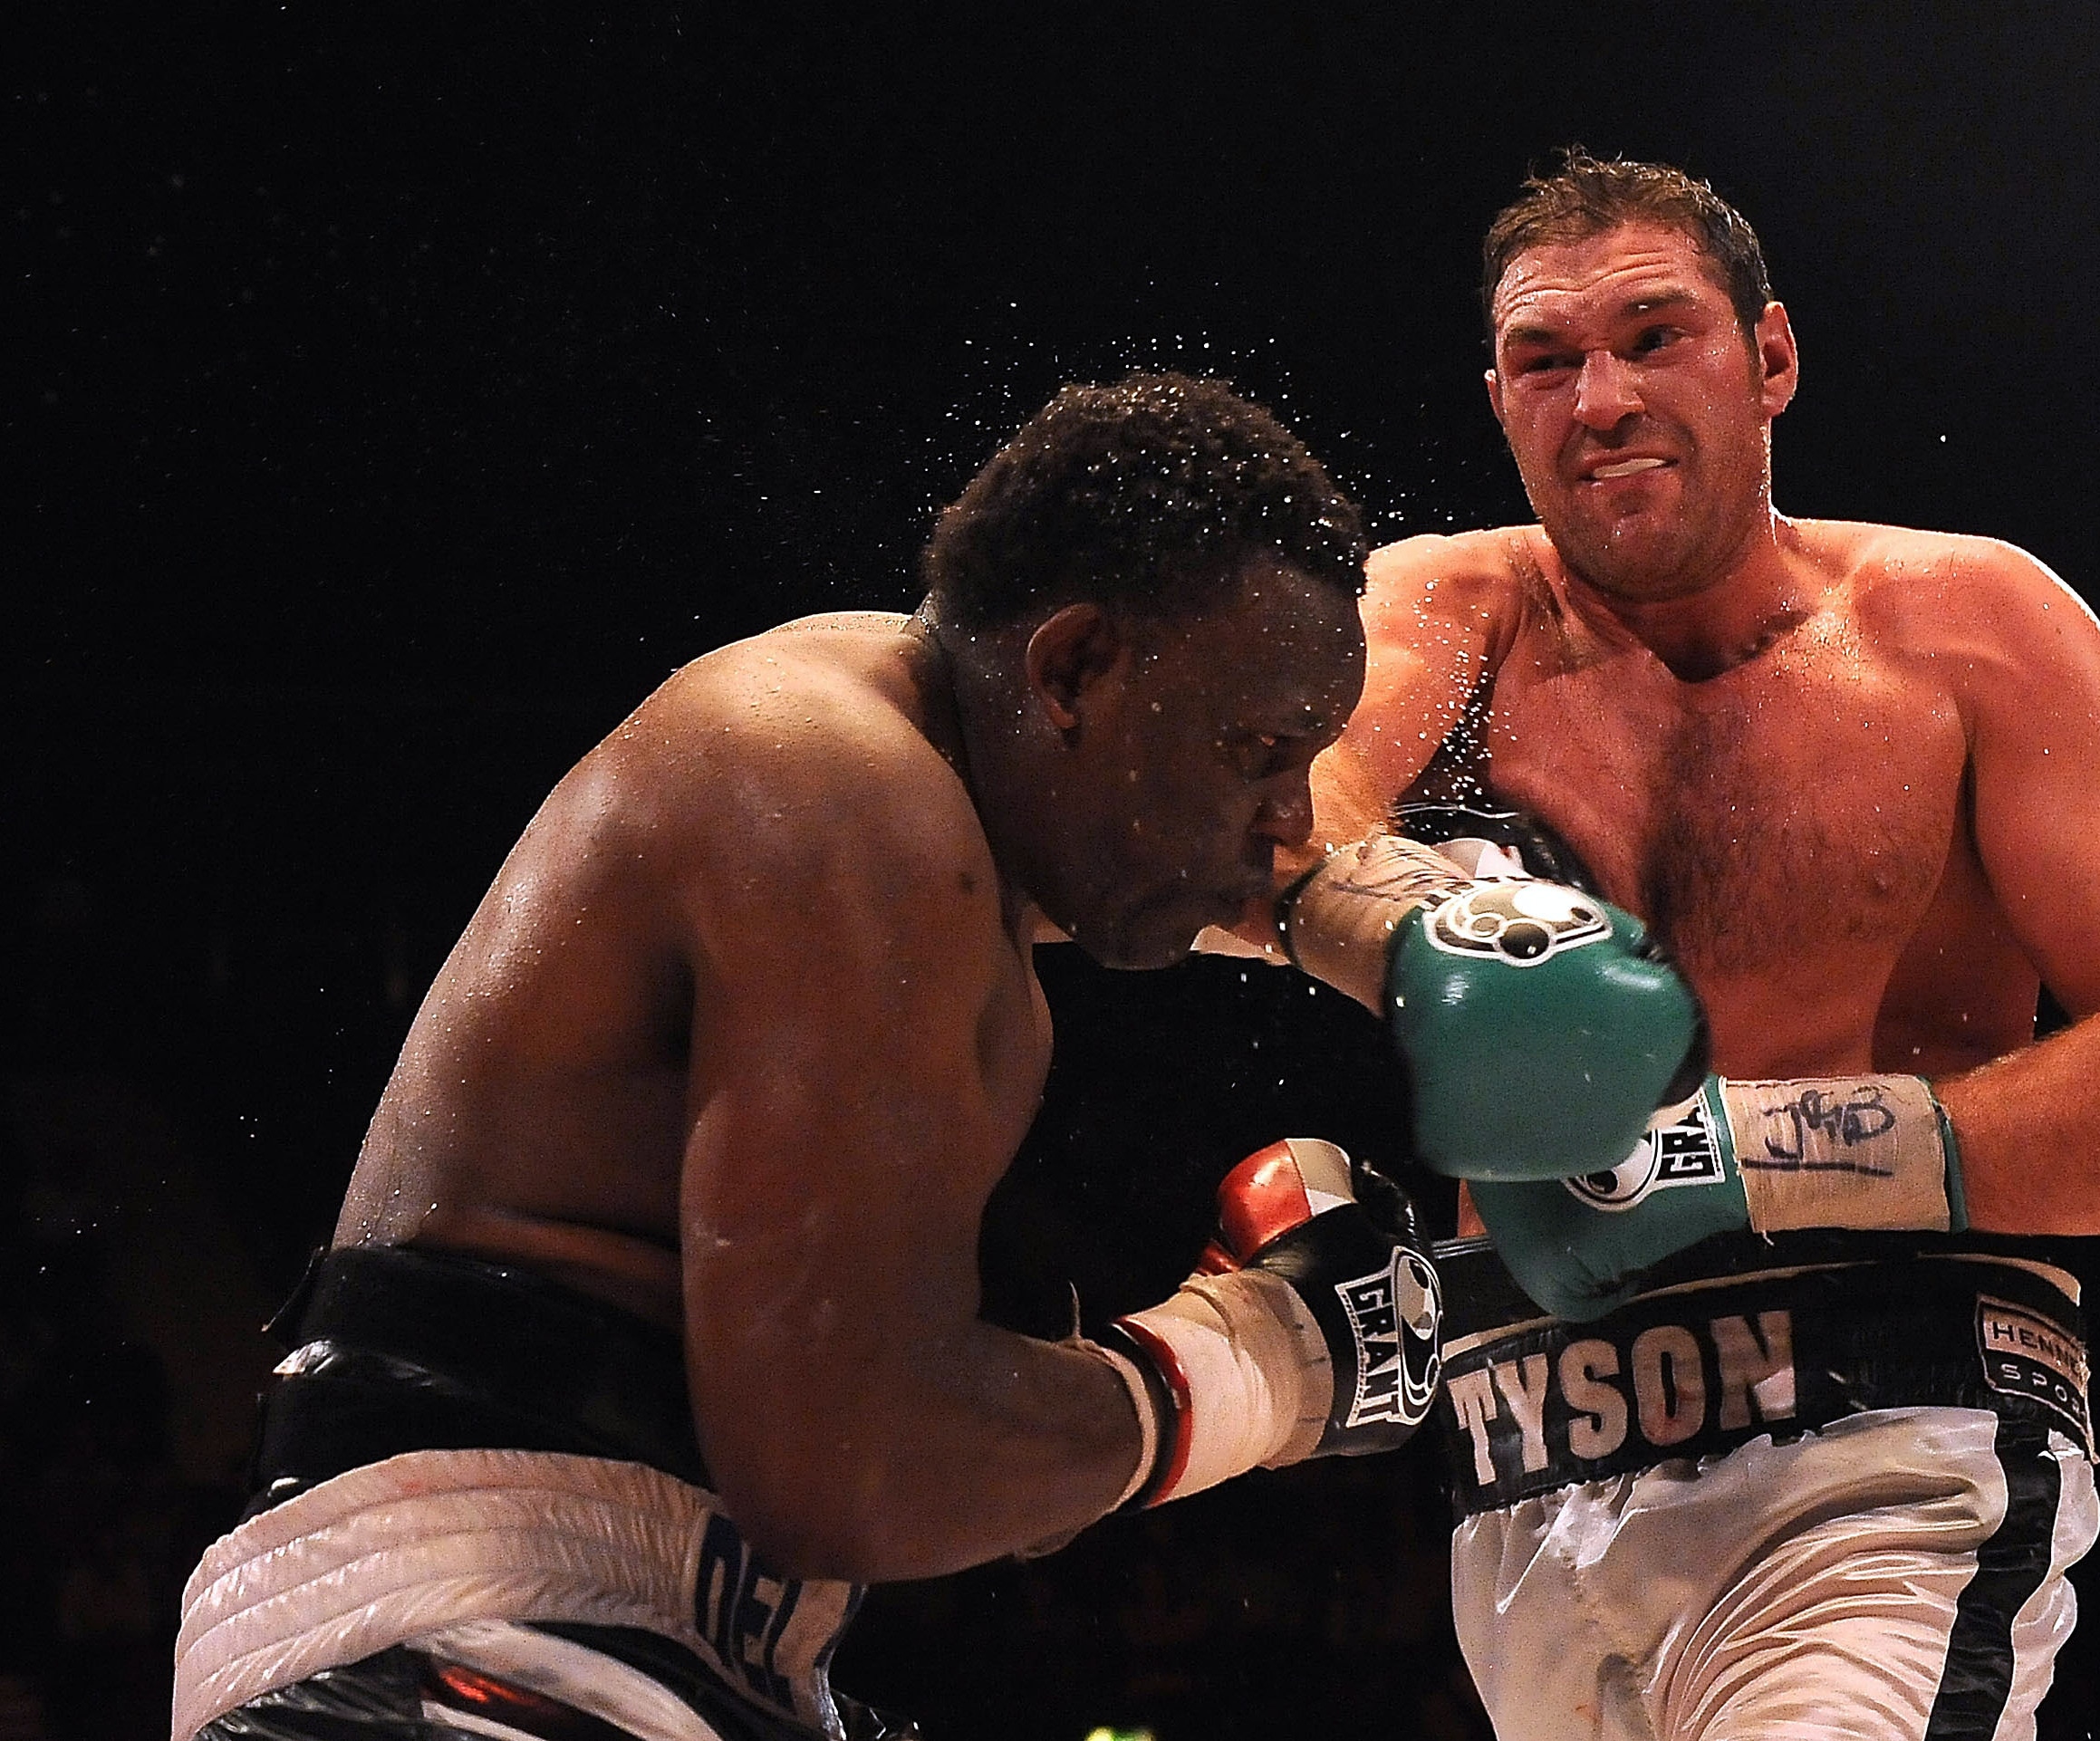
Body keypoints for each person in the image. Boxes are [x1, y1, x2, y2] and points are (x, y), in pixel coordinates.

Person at [169, 375, 1463, 1741]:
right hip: (461, 1634)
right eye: (1256, 749)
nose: (1284, 819)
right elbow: (849, 1467)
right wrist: (1253, 1367)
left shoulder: (954, 896)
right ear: (1074, 668)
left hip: (654, 1643)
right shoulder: (843, 788)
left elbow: (914, 1455)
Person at [1258, 154, 2100, 1740]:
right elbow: (1255, 827)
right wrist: (1426, 923)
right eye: (1545, 361)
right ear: (1497, 398)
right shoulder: (1447, 611)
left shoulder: (1962, 627)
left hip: (1880, 1457)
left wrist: (1741, 1150)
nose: (1601, 395)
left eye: (1653, 336)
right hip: (1523, 1494)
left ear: (1770, 359)